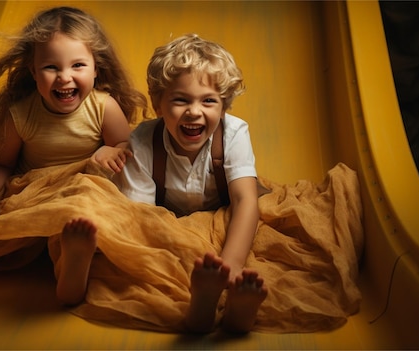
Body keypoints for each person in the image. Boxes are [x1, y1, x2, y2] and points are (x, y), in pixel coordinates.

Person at [56, 34, 267, 333]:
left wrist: (231, 264)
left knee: (248, 246)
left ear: (224, 107)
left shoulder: (233, 134)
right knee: (124, 250)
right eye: (180, 100)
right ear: (158, 103)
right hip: (163, 224)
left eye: (209, 101)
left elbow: (245, 200)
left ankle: (233, 310)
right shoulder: (144, 141)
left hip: (221, 222)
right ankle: (196, 304)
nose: (194, 111)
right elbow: (142, 219)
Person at [0, 6, 147, 213]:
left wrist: (111, 149)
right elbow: (2, 165)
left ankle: (75, 241)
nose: (64, 77)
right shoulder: (21, 115)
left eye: (77, 65)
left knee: (92, 201)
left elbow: (128, 150)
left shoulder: (103, 107)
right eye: (51, 67)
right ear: (33, 71)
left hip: (83, 194)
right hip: (35, 196)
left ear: (96, 68)